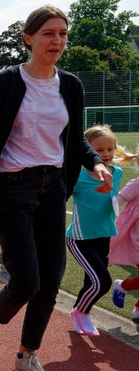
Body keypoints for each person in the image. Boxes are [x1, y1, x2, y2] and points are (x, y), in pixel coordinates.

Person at [0, 6, 112, 371]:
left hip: (53, 188)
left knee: (50, 281)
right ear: (28, 38)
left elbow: (75, 137)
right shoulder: (8, 82)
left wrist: (95, 163)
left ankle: (27, 357)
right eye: (49, 33)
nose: (57, 41)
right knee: (26, 279)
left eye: (63, 34)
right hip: (12, 187)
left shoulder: (71, 86)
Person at [66, 126, 124, 336]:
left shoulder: (117, 173)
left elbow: (114, 199)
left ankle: (82, 314)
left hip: (105, 236)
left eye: (110, 149)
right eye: (99, 150)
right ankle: (80, 312)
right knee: (102, 281)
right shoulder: (77, 178)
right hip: (80, 239)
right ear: (87, 151)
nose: (106, 154)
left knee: (91, 281)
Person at [111, 175, 139, 320]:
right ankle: (123, 286)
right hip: (136, 237)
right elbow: (118, 200)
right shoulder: (137, 184)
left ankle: (138, 309)